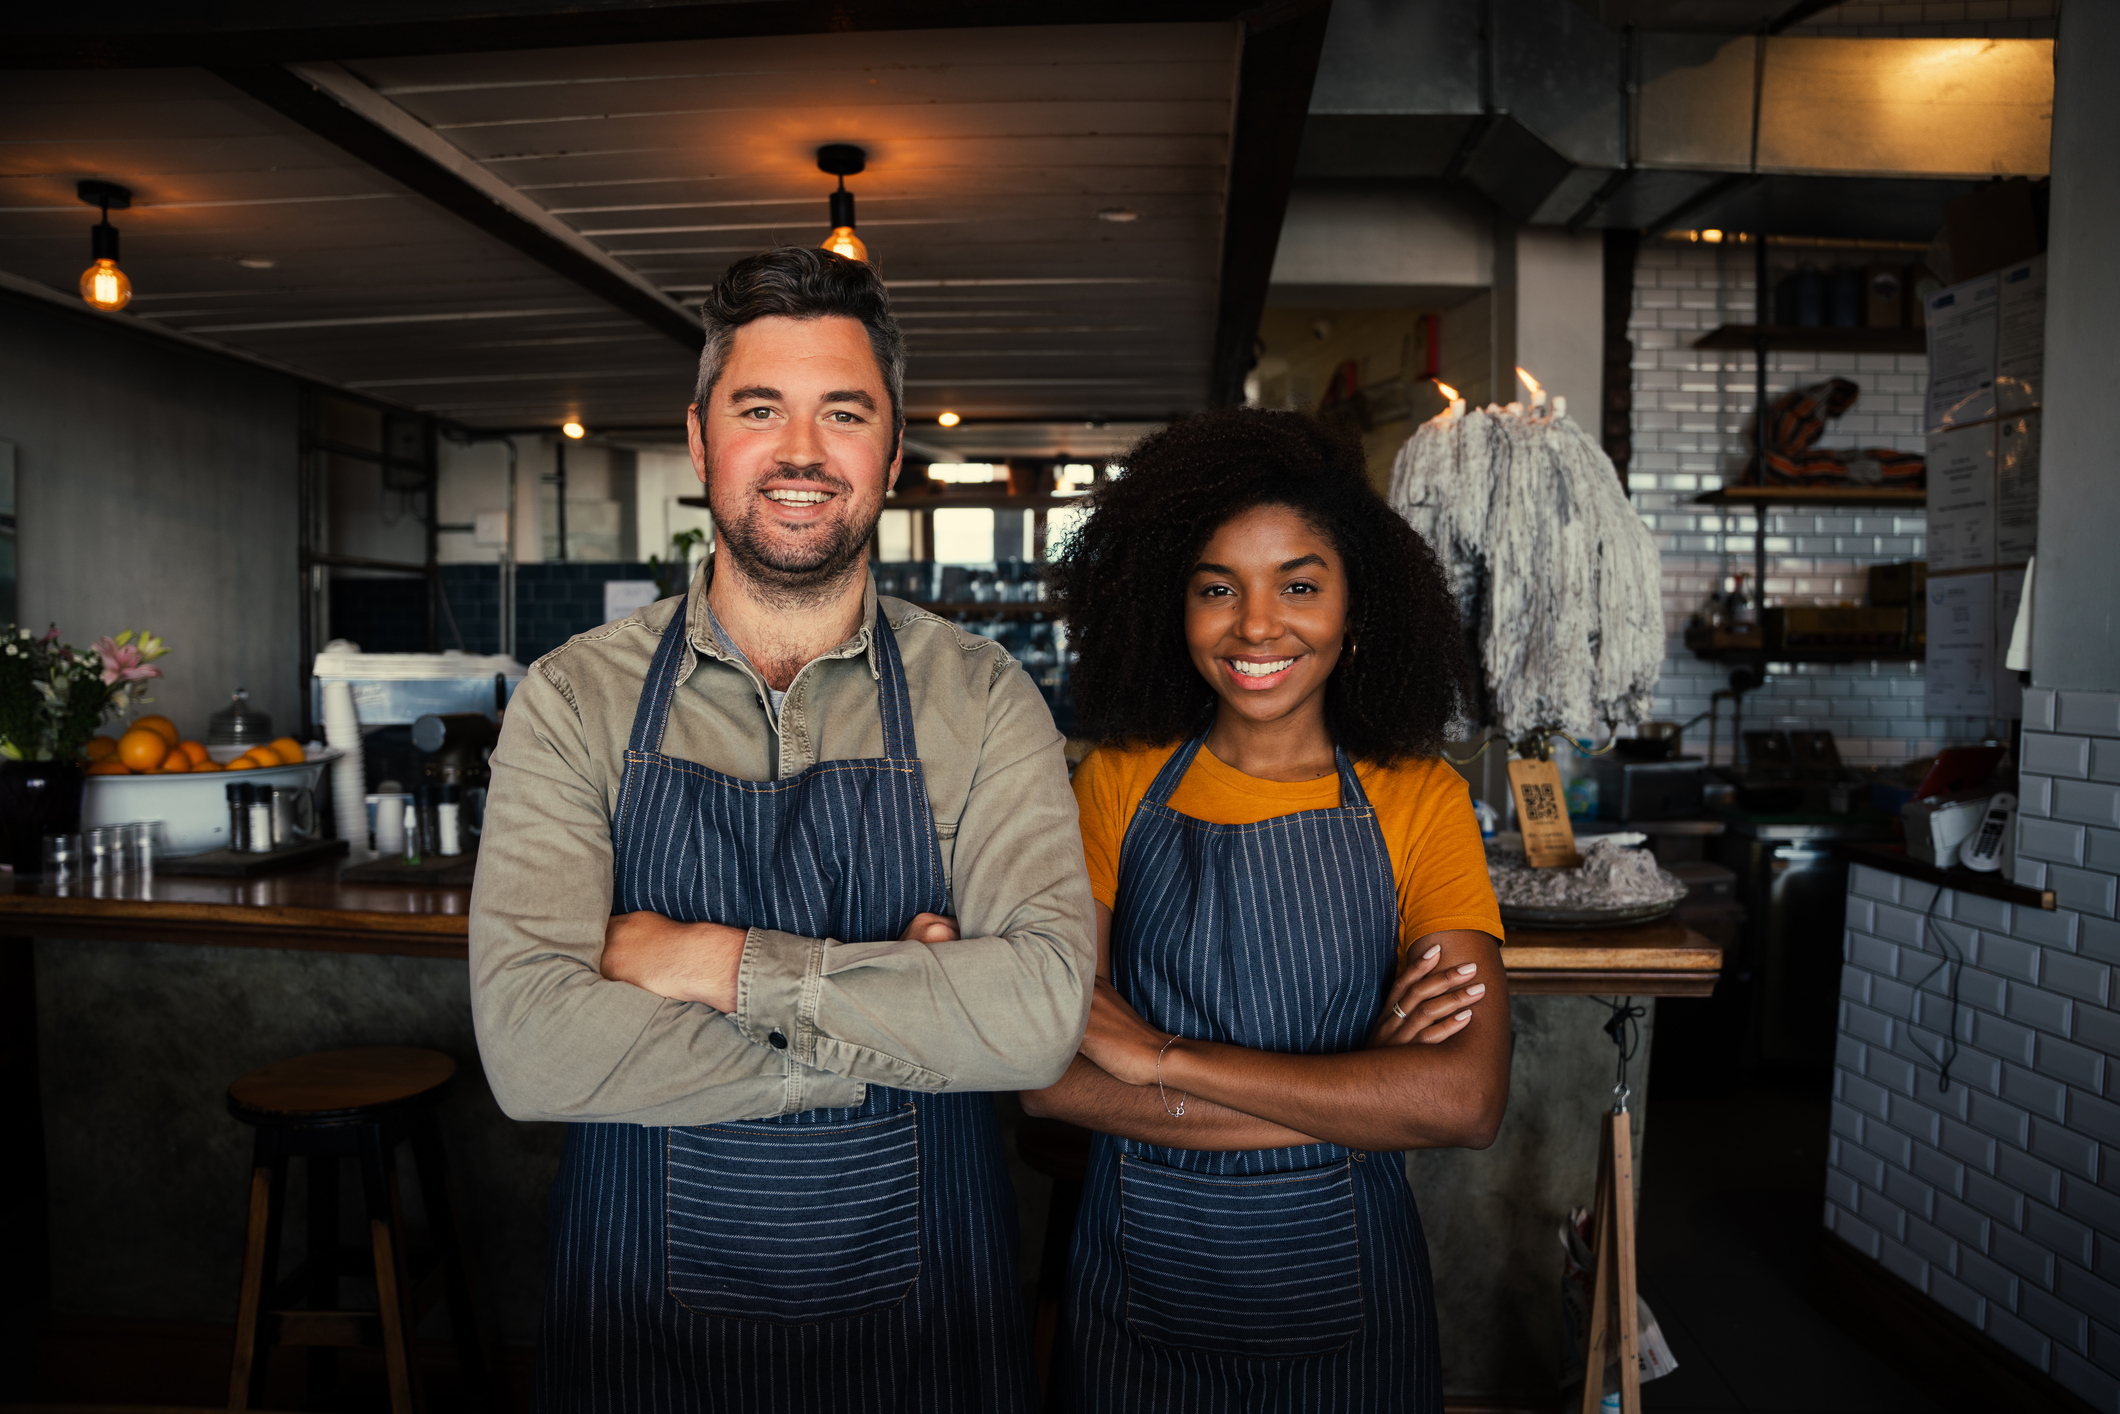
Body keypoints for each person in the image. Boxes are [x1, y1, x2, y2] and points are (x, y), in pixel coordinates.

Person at [469, 245, 1096, 1413]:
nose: (800, 452)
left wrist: (701, 963)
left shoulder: (983, 695)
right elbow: (530, 1048)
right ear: (701, 440)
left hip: (931, 1326)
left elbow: (1039, 1017)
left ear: (891, 453)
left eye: (842, 413)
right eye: (760, 409)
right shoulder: (575, 698)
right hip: (637, 1320)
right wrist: (895, 1039)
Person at [1024, 409, 1509, 1413]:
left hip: (1350, 1304)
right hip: (1134, 1295)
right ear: (1174, 609)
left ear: (1354, 608)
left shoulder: (1418, 801)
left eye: (1297, 584)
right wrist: (1356, 1101)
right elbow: (1046, 1082)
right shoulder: (1115, 783)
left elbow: (1461, 1102)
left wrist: (1158, 1059)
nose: (1255, 625)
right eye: (1216, 589)